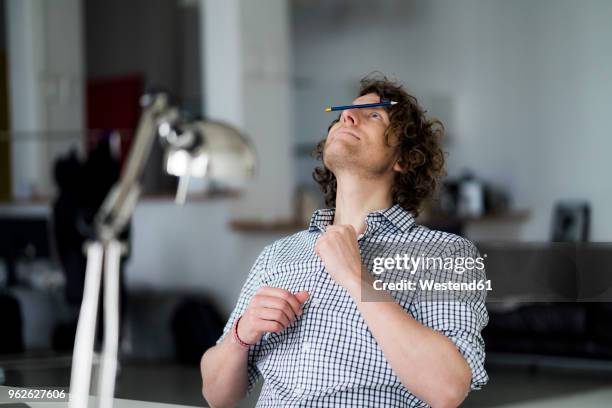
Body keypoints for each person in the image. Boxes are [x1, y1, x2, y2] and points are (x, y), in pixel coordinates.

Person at [200, 74, 488, 407]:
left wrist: (356, 277)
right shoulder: (278, 255)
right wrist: (241, 335)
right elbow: (217, 396)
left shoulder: (445, 253)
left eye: (374, 115)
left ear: (403, 159)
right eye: (343, 115)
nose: (347, 117)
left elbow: (448, 389)